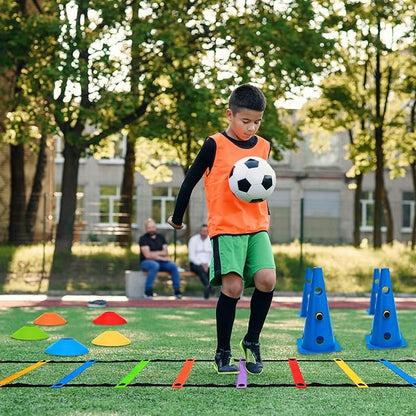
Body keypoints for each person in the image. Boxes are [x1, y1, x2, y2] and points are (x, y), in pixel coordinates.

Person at [167, 84, 276, 375]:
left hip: (257, 226)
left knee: (267, 280)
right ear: (230, 114)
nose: (251, 127)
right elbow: (189, 181)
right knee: (233, 288)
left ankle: (252, 341)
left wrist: (268, 214)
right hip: (226, 227)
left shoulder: (264, 146)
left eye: (257, 121)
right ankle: (222, 351)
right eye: (245, 121)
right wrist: (177, 217)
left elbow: (262, 184)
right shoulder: (214, 144)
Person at [139, 218, 183, 300]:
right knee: (154, 265)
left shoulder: (161, 237)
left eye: (153, 227)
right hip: (146, 262)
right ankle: (148, 291)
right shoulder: (143, 239)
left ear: (155, 227)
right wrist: (160, 255)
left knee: (173, 266)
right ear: (146, 228)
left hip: (161, 262)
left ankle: (177, 291)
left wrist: (154, 254)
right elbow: (147, 255)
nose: (151, 229)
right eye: (149, 227)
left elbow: (165, 252)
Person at [188, 224, 213, 299]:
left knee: (211, 269)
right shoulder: (193, 240)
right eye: (202, 231)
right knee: (201, 269)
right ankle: (208, 286)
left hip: (208, 264)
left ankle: (208, 287)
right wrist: (202, 264)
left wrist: (207, 265)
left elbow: (213, 255)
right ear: (200, 231)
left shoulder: (211, 240)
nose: (203, 233)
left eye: (205, 231)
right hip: (196, 264)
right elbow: (191, 256)